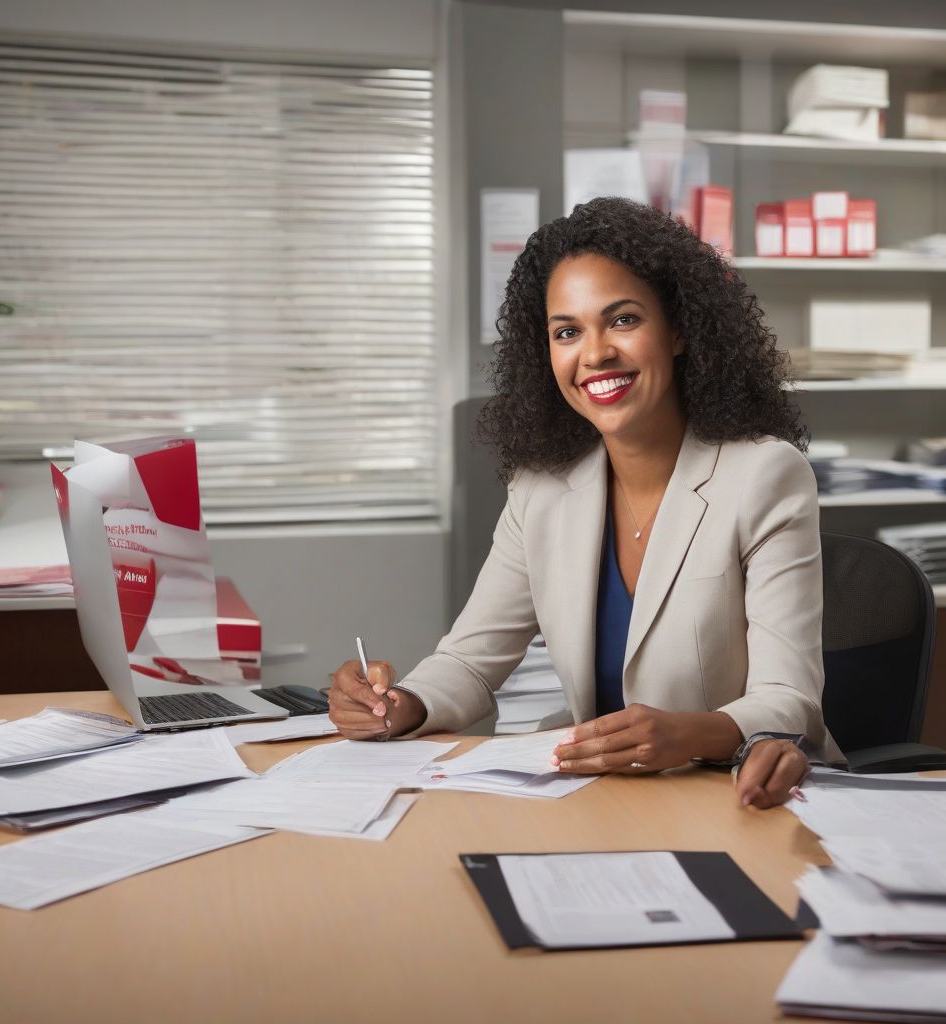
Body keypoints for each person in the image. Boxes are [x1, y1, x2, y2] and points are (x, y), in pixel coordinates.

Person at [329, 196, 842, 808]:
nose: (594, 353)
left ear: (678, 329)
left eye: (623, 320)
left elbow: (790, 698)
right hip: (605, 803)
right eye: (567, 332)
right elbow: (469, 661)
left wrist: (691, 733)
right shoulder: (542, 489)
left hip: (736, 798)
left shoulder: (764, 474)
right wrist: (395, 706)